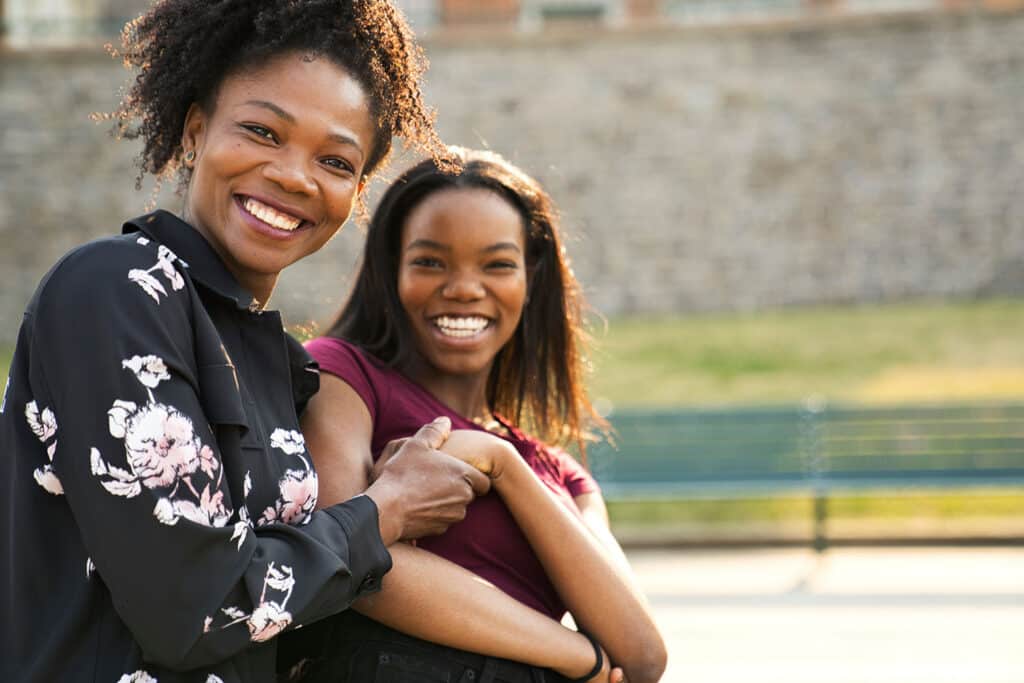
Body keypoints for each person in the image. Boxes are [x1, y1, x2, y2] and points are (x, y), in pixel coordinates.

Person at [0, 3, 495, 682]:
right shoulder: (115, 290)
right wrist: (384, 511)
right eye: (262, 131)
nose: (294, 175)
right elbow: (198, 609)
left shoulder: (278, 364)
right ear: (197, 128)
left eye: (335, 160)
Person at [289, 147, 668, 682]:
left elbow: (643, 657)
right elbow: (347, 560)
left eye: (497, 264)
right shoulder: (342, 375)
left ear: (530, 277)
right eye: (429, 261)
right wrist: (577, 655)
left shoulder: (562, 476)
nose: (464, 288)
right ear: (390, 270)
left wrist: (503, 463)